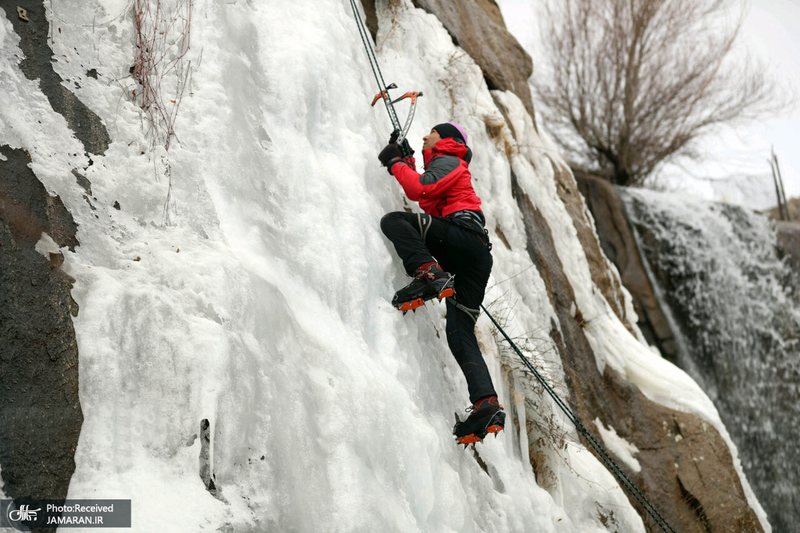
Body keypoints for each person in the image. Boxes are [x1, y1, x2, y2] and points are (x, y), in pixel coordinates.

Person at [378, 122, 505, 445]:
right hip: (472, 254)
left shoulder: (452, 158)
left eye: (430, 133)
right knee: (460, 331)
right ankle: (486, 404)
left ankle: (429, 273)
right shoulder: (445, 165)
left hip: (463, 240)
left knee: (394, 221)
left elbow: (419, 190)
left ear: (447, 139)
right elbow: (429, 195)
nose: (424, 136)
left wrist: (395, 163)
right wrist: (406, 163)